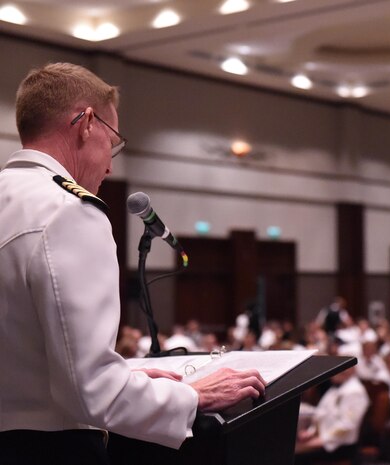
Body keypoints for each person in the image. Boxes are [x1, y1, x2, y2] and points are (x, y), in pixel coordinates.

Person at [0, 62, 266, 465]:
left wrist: (126, 375)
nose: (110, 165)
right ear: (87, 123)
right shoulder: (68, 213)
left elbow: (26, 357)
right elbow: (91, 390)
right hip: (49, 450)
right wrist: (193, 395)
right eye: (113, 141)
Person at [295, 366, 369, 464]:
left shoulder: (355, 391)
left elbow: (347, 425)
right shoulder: (335, 388)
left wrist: (322, 440)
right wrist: (311, 432)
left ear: (348, 371)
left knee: (293, 455)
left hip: (340, 447)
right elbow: (321, 414)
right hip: (325, 440)